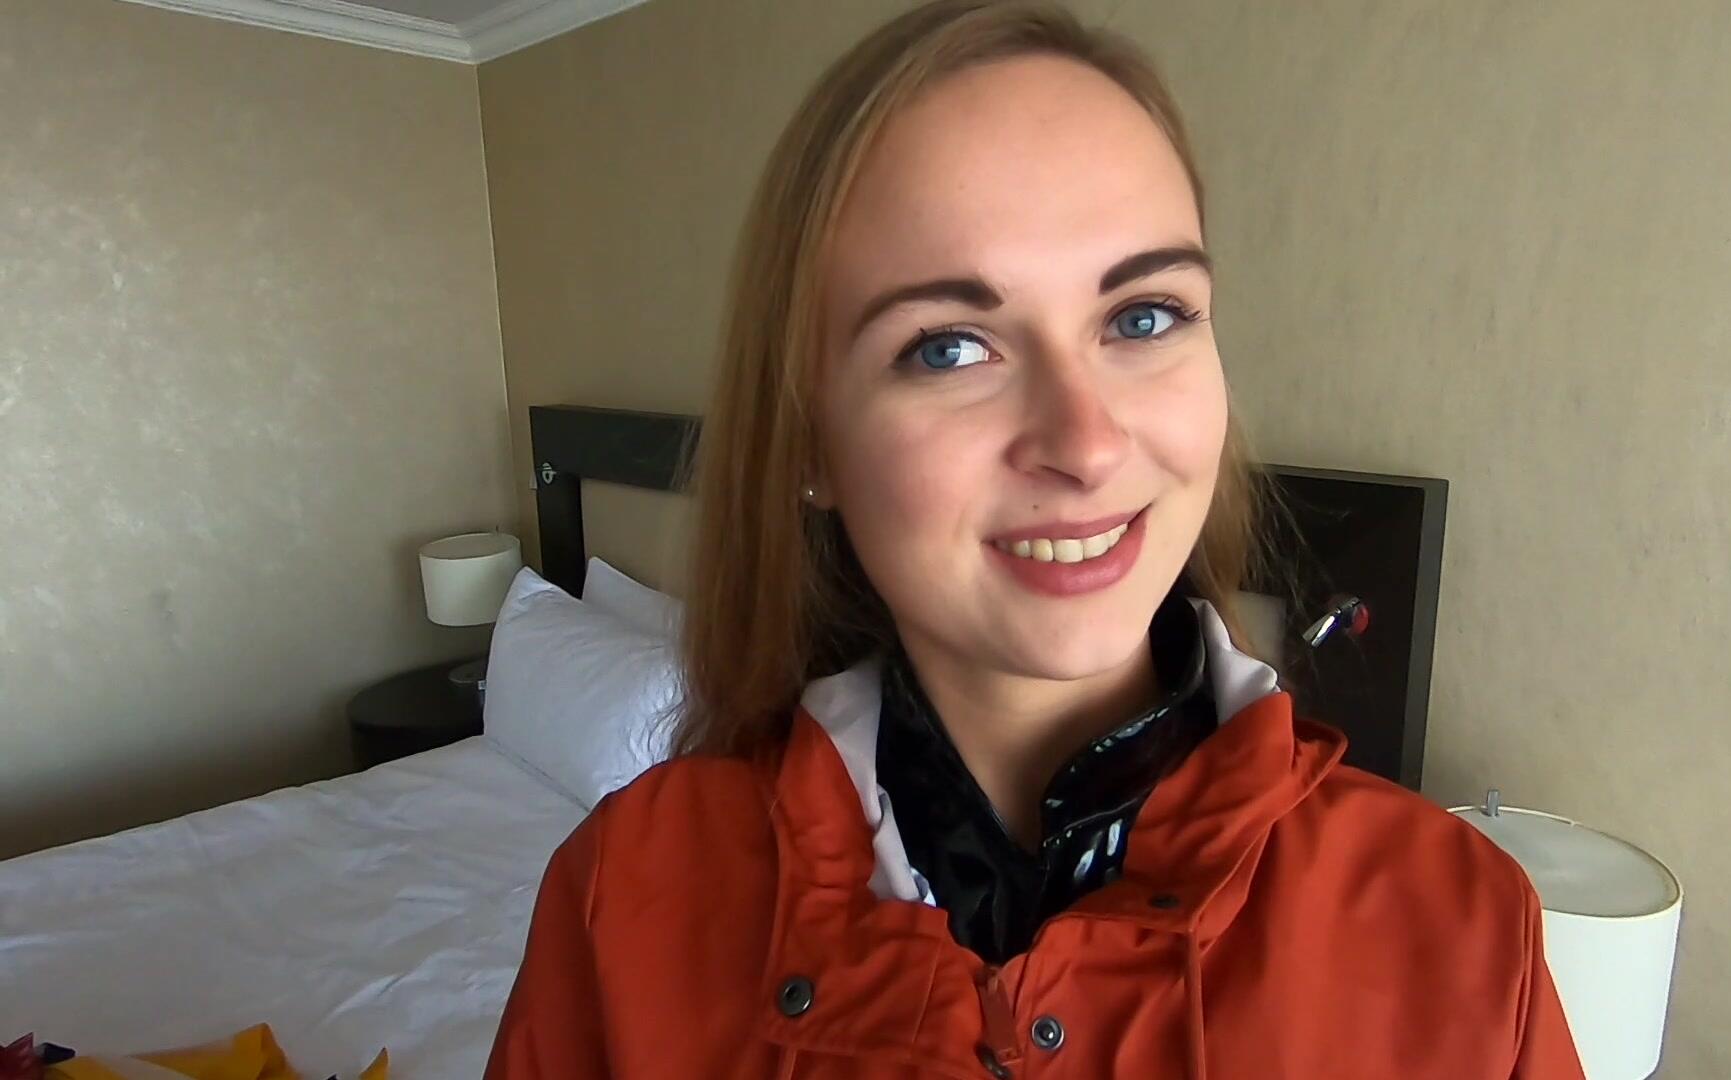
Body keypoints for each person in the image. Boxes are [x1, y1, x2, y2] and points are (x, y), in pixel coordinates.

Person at [486, 2, 1584, 1076]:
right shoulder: (620, 902)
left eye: (1144, 316)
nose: (1087, 445)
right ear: (809, 441)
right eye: (950, 348)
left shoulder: (1463, 929)